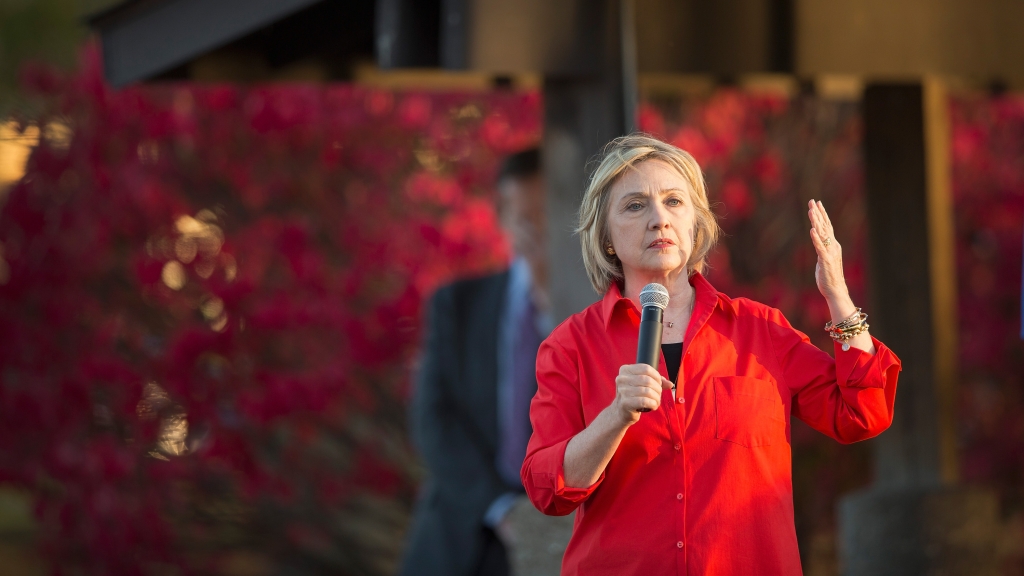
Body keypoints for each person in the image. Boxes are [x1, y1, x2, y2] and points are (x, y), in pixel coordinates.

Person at [521, 134, 902, 575]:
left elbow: (862, 412)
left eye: (674, 202)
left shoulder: (762, 330)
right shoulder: (570, 345)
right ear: (606, 236)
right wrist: (615, 417)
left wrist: (837, 294)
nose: (659, 219)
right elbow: (547, 490)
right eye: (635, 205)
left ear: (696, 224)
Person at [400, 148, 550, 576]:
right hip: (460, 535)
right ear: (502, 214)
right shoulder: (458, 304)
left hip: (560, 533)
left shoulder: (599, 311)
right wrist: (501, 508)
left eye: (546, 213)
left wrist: (549, 298)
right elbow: (434, 418)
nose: (534, 228)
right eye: (522, 214)